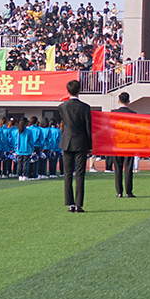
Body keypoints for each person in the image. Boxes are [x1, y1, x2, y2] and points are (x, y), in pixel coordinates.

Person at [59, 79, 92, 212]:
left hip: (67, 141)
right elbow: (88, 128)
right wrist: (90, 145)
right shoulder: (85, 107)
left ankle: (70, 204)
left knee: (67, 174)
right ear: (79, 91)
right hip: (81, 142)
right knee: (80, 174)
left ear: (68, 90)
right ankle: (78, 204)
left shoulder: (62, 107)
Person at [110, 92, 136, 197]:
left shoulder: (113, 113)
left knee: (118, 168)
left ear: (118, 101)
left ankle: (119, 192)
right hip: (129, 143)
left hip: (117, 143)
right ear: (129, 101)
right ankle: (128, 192)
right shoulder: (133, 114)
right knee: (128, 168)